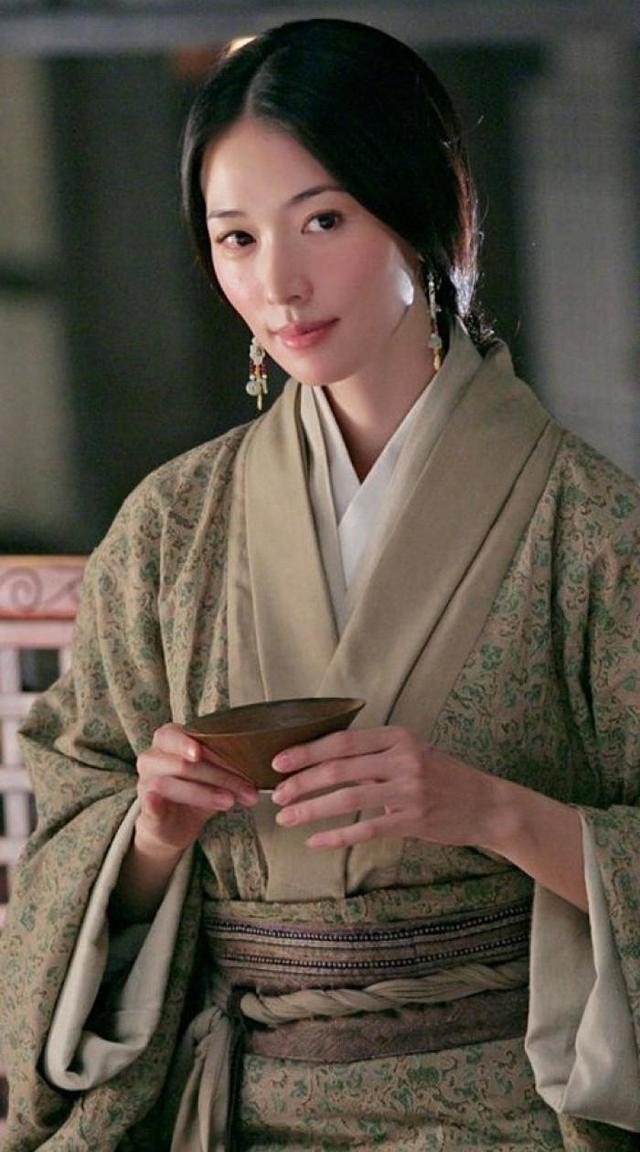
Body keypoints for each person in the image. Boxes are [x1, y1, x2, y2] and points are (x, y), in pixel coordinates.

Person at [1, 17, 639, 1151]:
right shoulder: (169, 529)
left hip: (508, 1111)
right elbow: (66, 847)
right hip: (230, 1110)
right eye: (236, 239)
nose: (278, 283)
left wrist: (493, 812)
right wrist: (150, 835)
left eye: (324, 220)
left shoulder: (593, 528)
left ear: (428, 210)